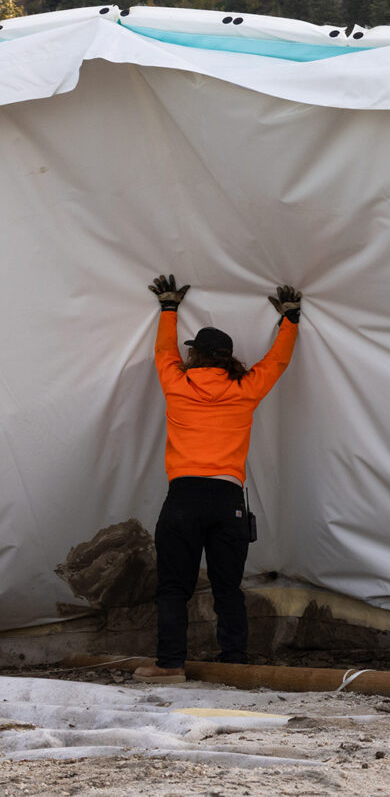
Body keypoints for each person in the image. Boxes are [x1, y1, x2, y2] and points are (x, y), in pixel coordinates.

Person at [133, 274, 302, 681]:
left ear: (197, 357)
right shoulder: (245, 389)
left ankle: (170, 664)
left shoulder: (177, 384)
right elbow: (276, 361)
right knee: (228, 587)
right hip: (229, 501)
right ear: (225, 358)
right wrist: (290, 320)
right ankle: (234, 663)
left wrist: (169, 308)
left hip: (184, 496)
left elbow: (163, 351)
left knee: (175, 586)